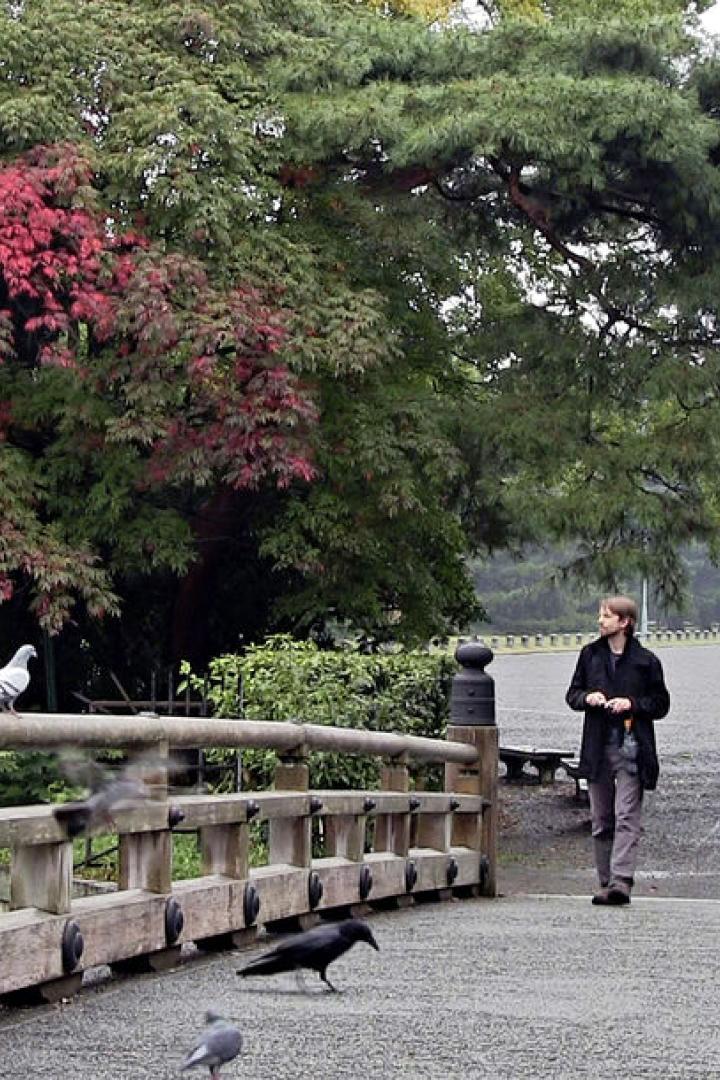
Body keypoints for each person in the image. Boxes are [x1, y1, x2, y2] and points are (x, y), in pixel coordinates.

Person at [565, 595, 670, 906]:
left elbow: (661, 703)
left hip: (632, 748)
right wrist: (588, 698)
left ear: (625, 622)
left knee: (627, 815)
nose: (601, 621)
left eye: (607, 616)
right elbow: (572, 694)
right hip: (598, 746)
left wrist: (633, 705)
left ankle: (620, 882)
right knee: (601, 818)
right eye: (601, 615)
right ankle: (605, 881)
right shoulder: (589, 655)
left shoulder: (646, 661)